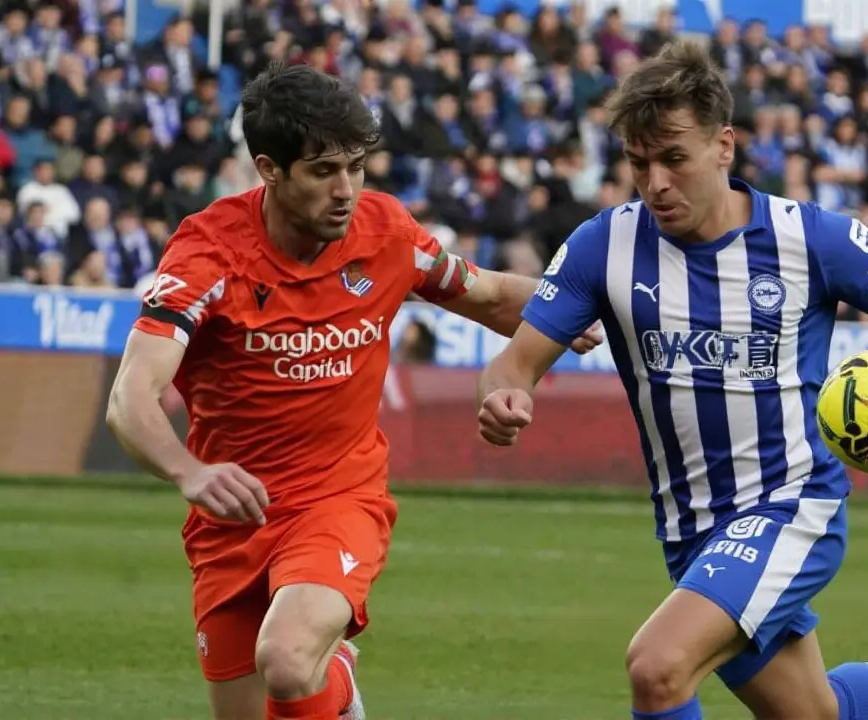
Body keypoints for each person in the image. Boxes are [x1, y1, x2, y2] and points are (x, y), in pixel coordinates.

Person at [476, 40, 868, 720]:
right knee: (816, 714)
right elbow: (513, 364)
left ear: (723, 147)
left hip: (794, 507)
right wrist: (501, 396)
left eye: (675, 159)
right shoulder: (602, 246)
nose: (656, 182)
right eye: (639, 164)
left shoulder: (811, 240)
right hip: (691, 530)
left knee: (658, 668)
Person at [106, 62, 600, 720]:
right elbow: (131, 396)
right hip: (232, 516)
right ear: (269, 169)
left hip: (338, 495)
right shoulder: (206, 255)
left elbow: (485, 294)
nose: (346, 190)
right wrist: (187, 471)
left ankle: (330, 664)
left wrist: (587, 308)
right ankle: (333, 682)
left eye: (356, 167)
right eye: (322, 171)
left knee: (286, 661)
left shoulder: (387, 232)